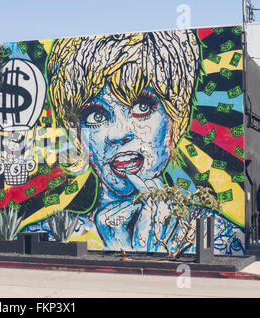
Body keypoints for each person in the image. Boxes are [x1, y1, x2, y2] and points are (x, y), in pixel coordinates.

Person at [45, 30, 202, 252]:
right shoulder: (56, 231)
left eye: (141, 107)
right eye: (96, 116)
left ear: (176, 119)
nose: (119, 134)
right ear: (78, 134)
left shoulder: (213, 232)